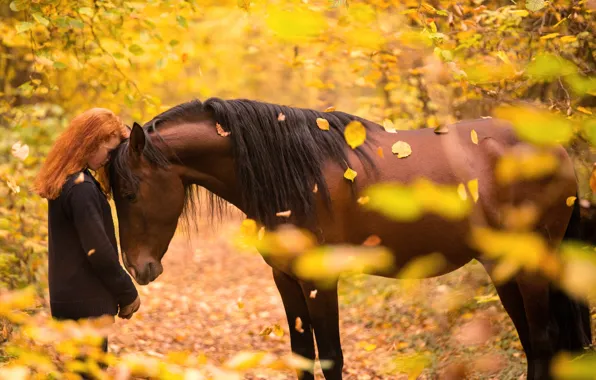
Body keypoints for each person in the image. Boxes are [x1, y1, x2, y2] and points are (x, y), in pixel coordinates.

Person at [33, 108, 140, 357]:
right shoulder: (81, 188)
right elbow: (98, 251)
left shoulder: (68, 181)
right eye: (109, 151)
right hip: (86, 305)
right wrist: (127, 293)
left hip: (70, 299)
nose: (109, 159)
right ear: (91, 143)